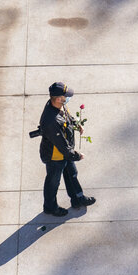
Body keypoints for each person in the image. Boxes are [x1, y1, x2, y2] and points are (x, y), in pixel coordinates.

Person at [39, 82, 95, 216]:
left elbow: (67, 117)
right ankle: (50, 207)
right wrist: (76, 155)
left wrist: (76, 124)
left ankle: (77, 199)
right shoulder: (50, 121)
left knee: (72, 174)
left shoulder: (59, 105)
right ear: (58, 98)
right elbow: (62, 146)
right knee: (53, 182)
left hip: (65, 153)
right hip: (56, 157)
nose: (67, 98)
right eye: (65, 96)